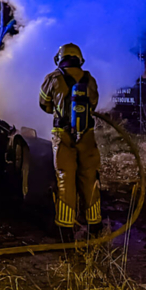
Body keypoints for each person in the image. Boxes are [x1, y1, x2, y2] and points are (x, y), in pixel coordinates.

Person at [39, 44, 101, 232]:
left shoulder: (52, 78)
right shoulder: (89, 79)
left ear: (59, 59)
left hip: (62, 134)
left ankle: (65, 227)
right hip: (87, 134)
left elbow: (44, 104)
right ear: (79, 59)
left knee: (66, 177)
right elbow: (94, 105)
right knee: (90, 176)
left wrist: (59, 109)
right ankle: (95, 224)